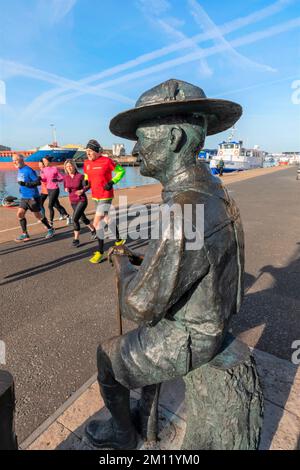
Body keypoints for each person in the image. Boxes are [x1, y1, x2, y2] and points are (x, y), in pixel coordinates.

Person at [84, 79, 244, 449]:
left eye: (143, 138)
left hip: (194, 334)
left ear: (173, 138)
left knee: (108, 355)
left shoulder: (183, 209)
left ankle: (124, 435)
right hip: (215, 317)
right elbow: (189, 259)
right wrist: (148, 263)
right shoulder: (216, 191)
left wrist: (124, 265)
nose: (135, 149)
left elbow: (139, 305)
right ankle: (145, 415)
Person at [83, 140, 126, 264]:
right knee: (107, 219)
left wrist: (112, 182)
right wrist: (86, 182)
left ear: (96, 151)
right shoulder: (86, 163)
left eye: (90, 151)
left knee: (97, 223)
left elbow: (121, 171)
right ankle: (119, 240)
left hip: (106, 195)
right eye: (87, 152)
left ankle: (100, 252)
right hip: (95, 195)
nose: (88, 154)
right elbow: (87, 174)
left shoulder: (107, 161)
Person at [12, 154, 54, 242]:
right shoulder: (20, 170)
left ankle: (50, 229)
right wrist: (21, 188)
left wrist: (26, 185)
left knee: (38, 216)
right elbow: (22, 182)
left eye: (15, 160)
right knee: (20, 214)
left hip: (33, 197)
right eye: (13, 160)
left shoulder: (29, 170)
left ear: (21, 160)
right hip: (24, 197)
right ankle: (25, 234)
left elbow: (38, 182)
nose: (14, 162)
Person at [63, 159, 96, 247]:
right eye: (67, 167)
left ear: (74, 166)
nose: (69, 168)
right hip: (72, 201)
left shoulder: (80, 176)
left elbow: (88, 185)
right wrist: (66, 189)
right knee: (83, 218)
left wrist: (82, 190)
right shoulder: (65, 177)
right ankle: (93, 230)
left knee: (74, 219)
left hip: (81, 200)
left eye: (70, 166)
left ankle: (76, 239)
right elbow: (65, 186)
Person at [40, 156, 71, 227]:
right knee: (56, 205)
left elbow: (62, 177)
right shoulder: (43, 170)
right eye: (43, 161)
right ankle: (68, 216)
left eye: (45, 161)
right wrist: (40, 178)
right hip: (48, 189)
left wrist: (57, 180)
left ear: (49, 161)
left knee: (50, 206)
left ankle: (51, 223)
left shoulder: (54, 169)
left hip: (55, 189)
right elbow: (44, 179)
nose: (44, 162)